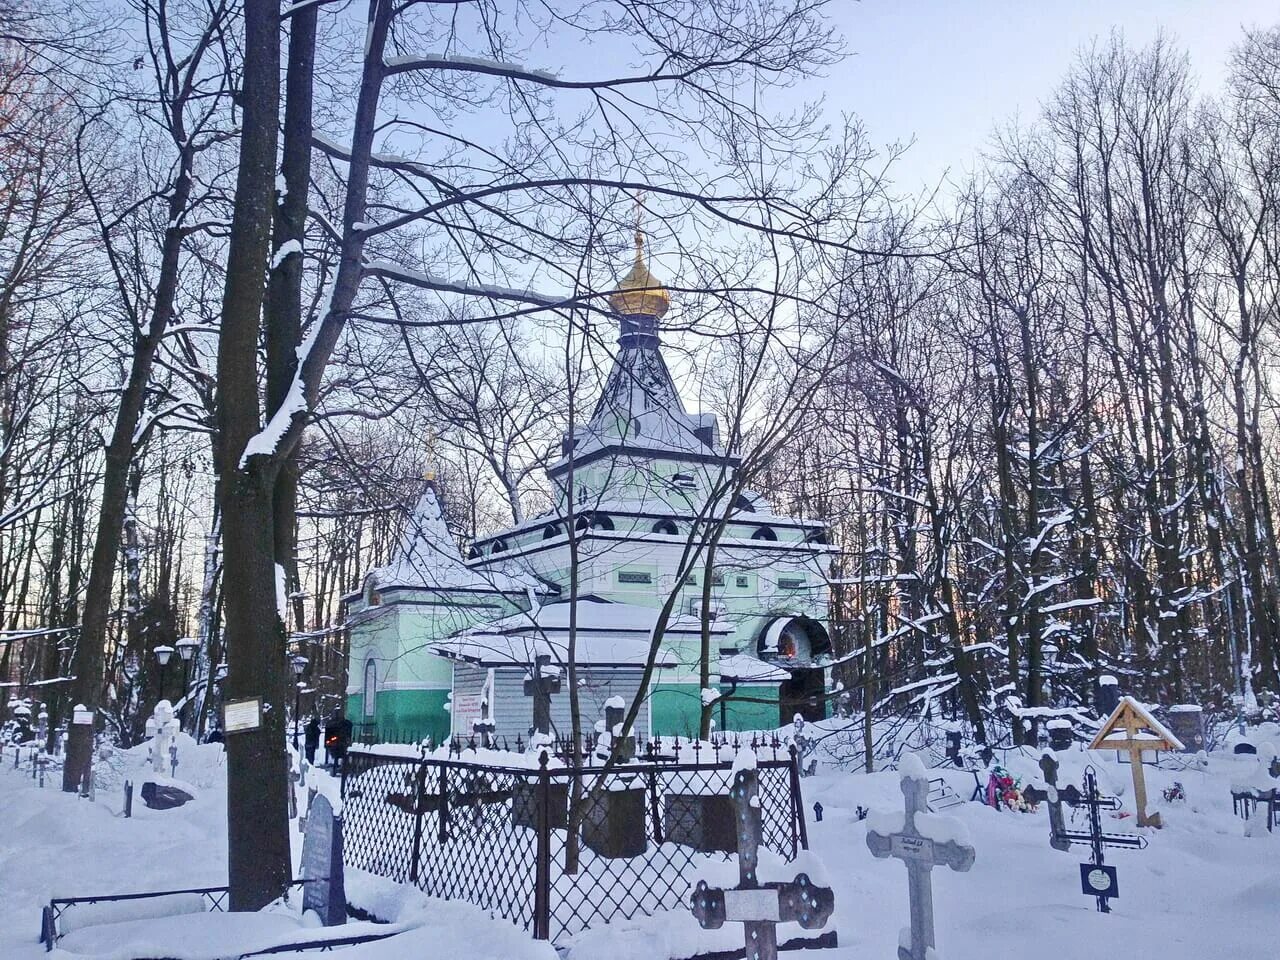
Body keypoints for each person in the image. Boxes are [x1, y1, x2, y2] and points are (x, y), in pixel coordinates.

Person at [323, 706, 353, 773]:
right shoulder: (346, 724)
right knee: (342, 755)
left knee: (339, 756)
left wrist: (329, 742)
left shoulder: (331, 724)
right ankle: (340, 766)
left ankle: (338, 766)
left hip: (336, 743)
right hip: (340, 743)